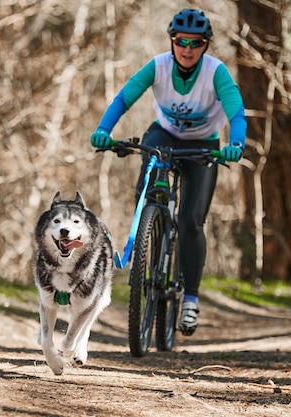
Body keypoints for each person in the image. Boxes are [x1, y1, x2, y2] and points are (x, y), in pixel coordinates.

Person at [90, 8, 247, 335]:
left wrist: (236, 142)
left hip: (204, 145)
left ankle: (189, 300)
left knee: (191, 221)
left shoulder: (215, 72)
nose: (187, 49)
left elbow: (236, 112)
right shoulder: (159, 66)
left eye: (196, 43)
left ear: (205, 46)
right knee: (147, 183)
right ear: (172, 42)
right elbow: (124, 98)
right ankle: (147, 235)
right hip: (164, 135)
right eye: (181, 41)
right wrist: (104, 130)